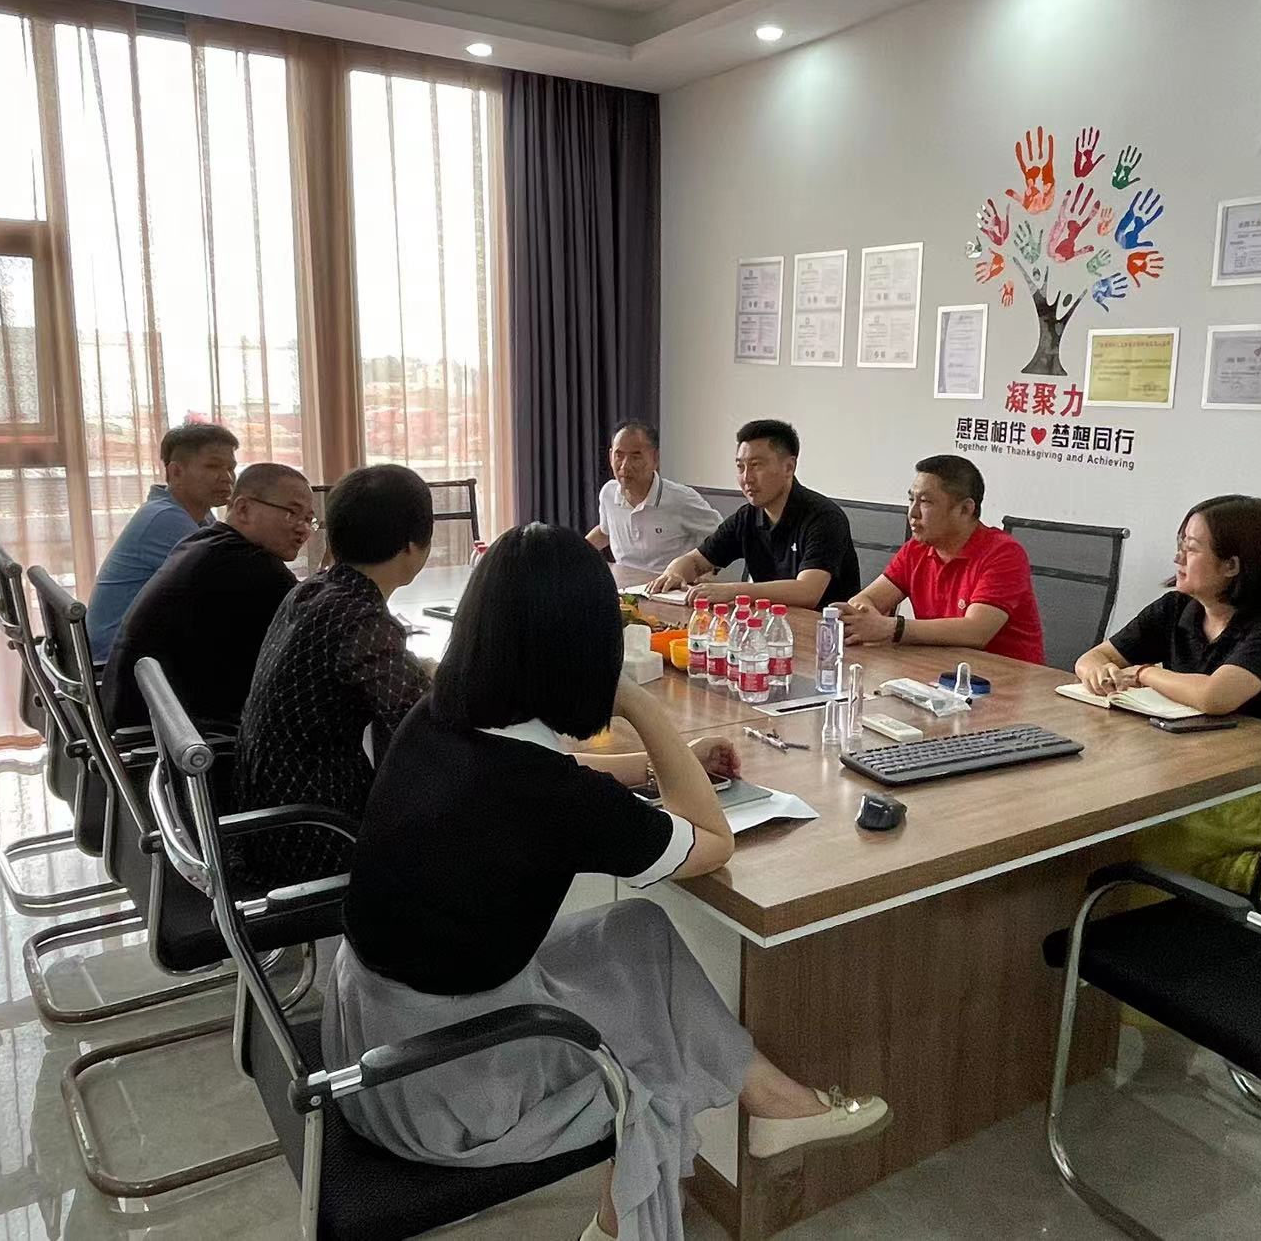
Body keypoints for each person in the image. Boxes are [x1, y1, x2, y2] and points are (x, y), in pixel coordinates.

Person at [328, 524, 889, 1241]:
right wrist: (641, 707)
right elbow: (712, 842)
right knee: (651, 1065)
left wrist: (658, 766)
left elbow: (555, 777)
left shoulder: (437, 720)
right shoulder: (547, 795)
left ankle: (774, 1101)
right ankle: (618, 1227)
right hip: (444, 1084)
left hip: (371, 1028)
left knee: (637, 929)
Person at [1073, 494, 1261, 912]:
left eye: (1191, 547)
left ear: (1231, 565)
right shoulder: (1176, 607)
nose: (1178, 557)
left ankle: (1133, 929)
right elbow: (1093, 657)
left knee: (1139, 831)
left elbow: (1215, 696)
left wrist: (1143, 673)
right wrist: (1097, 671)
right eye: (1180, 544)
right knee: (1093, 802)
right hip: (1190, 760)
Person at [235, 464, 435, 883]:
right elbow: (427, 724)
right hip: (315, 833)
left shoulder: (312, 590)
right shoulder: (361, 618)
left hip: (266, 810)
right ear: (413, 545)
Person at [100, 463, 314, 731]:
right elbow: (319, 640)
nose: (303, 529)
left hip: (133, 720)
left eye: (309, 519)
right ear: (243, 509)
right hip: (178, 738)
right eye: (292, 513)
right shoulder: (252, 567)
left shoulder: (203, 541)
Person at [838, 455, 1044, 664]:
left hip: (1005, 676)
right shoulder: (916, 549)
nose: (913, 513)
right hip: (938, 669)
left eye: (925, 502)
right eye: (911, 500)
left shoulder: (1004, 553)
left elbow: (976, 631)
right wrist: (864, 618)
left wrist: (890, 628)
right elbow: (865, 600)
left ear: (965, 509)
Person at [650, 419, 860, 608]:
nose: (747, 478)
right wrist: (674, 573)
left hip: (825, 630)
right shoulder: (747, 517)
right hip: (771, 625)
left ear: (789, 467)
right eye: (740, 467)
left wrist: (733, 591)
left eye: (756, 465)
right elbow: (696, 561)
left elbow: (808, 591)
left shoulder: (824, 518)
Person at [86, 422, 238, 661]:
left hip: (138, 650)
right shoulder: (166, 518)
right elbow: (226, 586)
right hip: (119, 662)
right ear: (175, 472)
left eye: (231, 468)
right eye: (213, 466)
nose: (227, 478)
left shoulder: (198, 514)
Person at [584, 418, 722, 573]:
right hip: (623, 584)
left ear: (655, 459)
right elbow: (604, 532)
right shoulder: (608, 493)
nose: (624, 465)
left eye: (635, 456)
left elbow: (722, 540)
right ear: (610, 456)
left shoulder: (681, 499)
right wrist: (575, 555)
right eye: (619, 455)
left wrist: (706, 573)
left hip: (668, 584)